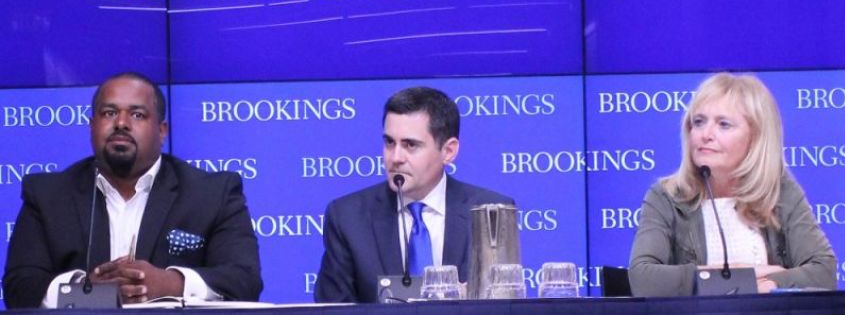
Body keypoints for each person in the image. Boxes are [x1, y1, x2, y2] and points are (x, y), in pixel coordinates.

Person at [3, 72, 263, 308]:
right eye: (109, 113)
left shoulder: (212, 194)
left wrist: (171, 283)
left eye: (137, 114)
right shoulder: (48, 195)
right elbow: (19, 287)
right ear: (91, 126)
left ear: (162, 131)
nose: (121, 123)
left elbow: (244, 280)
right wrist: (86, 290)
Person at [629, 73, 836, 296]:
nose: (705, 135)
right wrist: (736, 278)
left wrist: (773, 282)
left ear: (756, 138)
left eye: (723, 125)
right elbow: (643, 279)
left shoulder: (779, 191)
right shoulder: (667, 196)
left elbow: (824, 272)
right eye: (698, 122)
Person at [314, 86, 514, 302]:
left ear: (448, 151)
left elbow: (504, 303)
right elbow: (332, 307)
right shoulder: (348, 217)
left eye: (410, 145)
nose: (396, 157)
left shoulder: (489, 212)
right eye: (390, 142)